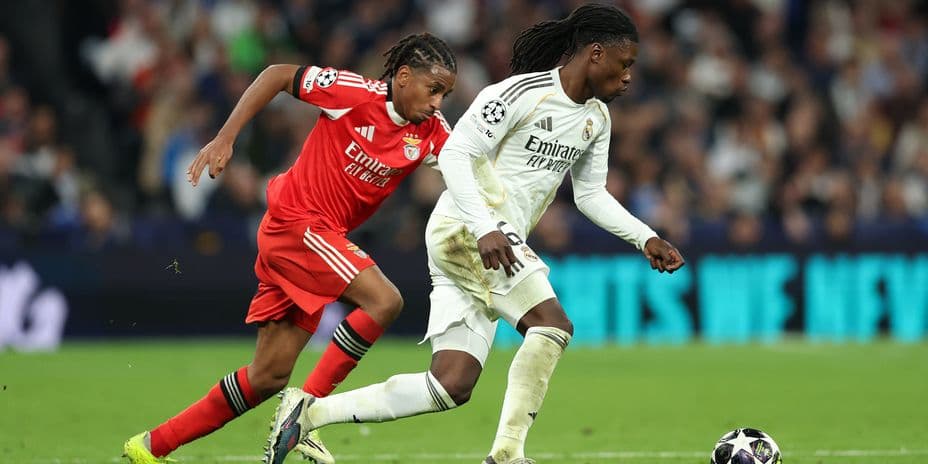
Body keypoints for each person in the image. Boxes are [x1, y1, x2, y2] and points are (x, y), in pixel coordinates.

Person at [263, 4, 685, 464]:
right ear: (597, 54)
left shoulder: (596, 119)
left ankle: (307, 414)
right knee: (553, 325)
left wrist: (645, 237)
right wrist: (484, 227)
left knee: (450, 385)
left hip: (489, 243)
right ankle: (508, 454)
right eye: (625, 65)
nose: (629, 77)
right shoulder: (519, 93)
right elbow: (457, 154)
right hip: (469, 230)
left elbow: (590, 195)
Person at [122, 32, 457, 464]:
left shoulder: (432, 132)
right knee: (385, 300)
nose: (438, 103)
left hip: (315, 239)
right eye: (434, 90)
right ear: (404, 76)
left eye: (445, 94)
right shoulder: (353, 94)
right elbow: (278, 75)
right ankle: (304, 413)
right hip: (297, 226)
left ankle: (150, 447)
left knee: (267, 376)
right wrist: (226, 137)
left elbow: (471, 168)